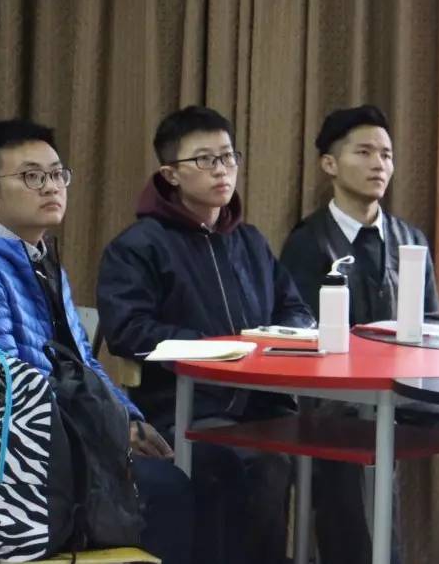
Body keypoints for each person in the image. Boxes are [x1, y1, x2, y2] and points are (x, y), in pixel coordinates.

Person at [0, 120, 193, 564]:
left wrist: (125, 419)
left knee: (180, 476)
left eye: (56, 174)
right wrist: (100, 436)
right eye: (31, 176)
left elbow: (83, 363)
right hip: (9, 485)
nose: (50, 186)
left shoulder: (39, 261)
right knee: (171, 492)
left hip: (52, 454)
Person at [97, 105, 314, 564]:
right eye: (205, 159)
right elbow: (128, 330)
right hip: (185, 406)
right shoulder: (138, 246)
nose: (221, 169)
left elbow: (295, 310)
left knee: (306, 458)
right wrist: (217, 348)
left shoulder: (249, 241)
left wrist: (281, 334)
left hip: (262, 404)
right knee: (240, 464)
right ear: (170, 174)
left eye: (228, 156)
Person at [280, 104, 439, 564]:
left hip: (407, 394)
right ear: (330, 164)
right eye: (365, 152)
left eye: (386, 155)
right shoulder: (308, 242)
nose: (379, 165)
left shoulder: (411, 239)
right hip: (337, 398)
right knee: (348, 455)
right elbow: (300, 330)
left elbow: (432, 322)